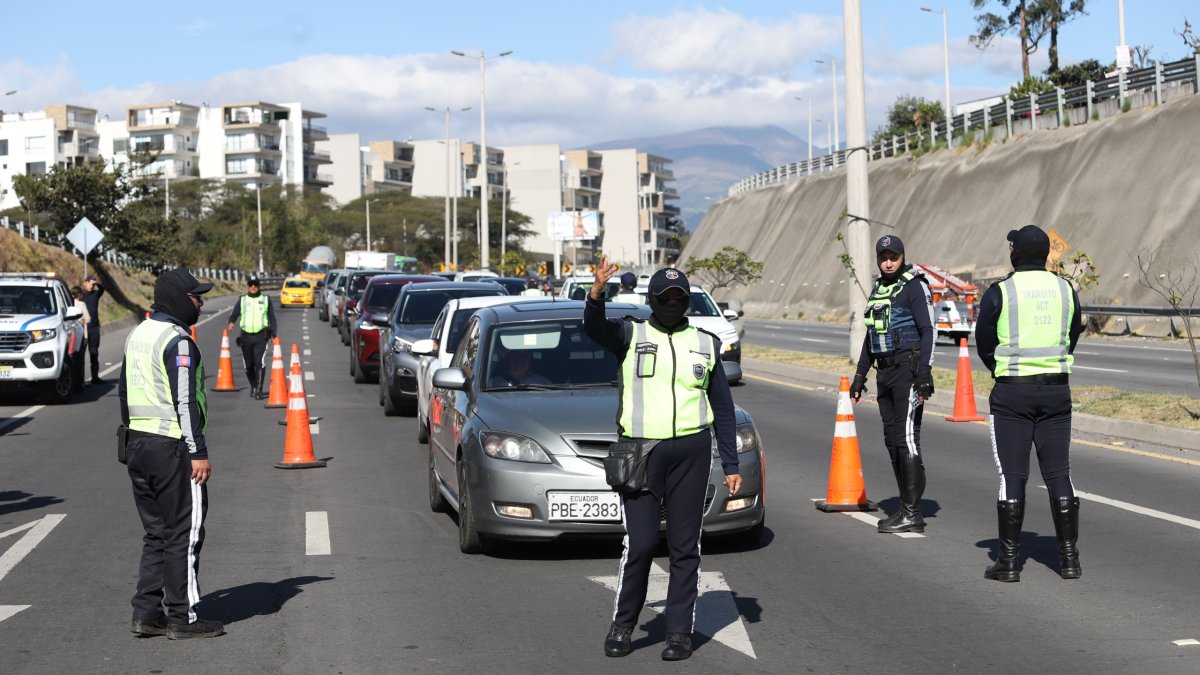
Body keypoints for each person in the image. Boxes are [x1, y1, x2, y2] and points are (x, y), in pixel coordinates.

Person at [585, 259, 740, 662]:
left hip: (691, 452)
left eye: (679, 297)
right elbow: (594, 328)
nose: (672, 303)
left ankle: (679, 632)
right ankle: (623, 625)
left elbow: (723, 409)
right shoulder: (630, 333)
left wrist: (731, 464)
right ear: (652, 299)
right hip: (641, 453)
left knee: (685, 547)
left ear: (686, 302)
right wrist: (597, 293)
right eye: (665, 297)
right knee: (640, 544)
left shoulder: (705, 343)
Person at [975, 224, 1084, 583]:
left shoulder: (1001, 291)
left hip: (1013, 394)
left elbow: (984, 340)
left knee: (1012, 476)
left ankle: (1008, 563)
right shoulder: (1066, 289)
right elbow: (1072, 335)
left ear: (1017, 253)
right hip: (1056, 392)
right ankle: (1069, 560)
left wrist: (1003, 368)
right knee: (1059, 473)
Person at [120, 268, 224, 639]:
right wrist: (198, 451)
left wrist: (131, 440)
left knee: (157, 534)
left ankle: (147, 613)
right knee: (185, 533)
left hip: (138, 445)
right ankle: (183, 617)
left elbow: (124, 393)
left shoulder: (139, 334)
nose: (201, 303)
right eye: (196, 297)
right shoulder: (178, 340)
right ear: (179, 299)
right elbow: (185, 401)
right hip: (173, 448)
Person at [849, 235, 935, 534]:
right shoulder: (879, 289)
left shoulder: (915, 286)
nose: (888, 263)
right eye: (883, 257)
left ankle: (912, 513)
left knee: (905, 439)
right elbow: (871, 336)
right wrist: (860, 376)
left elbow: (928, 330)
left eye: (893, 257)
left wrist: (924, 374)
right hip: (884, 374)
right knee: (891, 439)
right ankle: (906, 507)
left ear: (902, 257)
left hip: (907, 371)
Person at [225, 274, 277, 399]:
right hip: (246, 337)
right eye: (251, 285)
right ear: (247, 286)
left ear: (259, 286)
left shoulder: (266, 299)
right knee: (248, 366)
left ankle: (259, 390)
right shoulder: (242, 300)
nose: (253, 287)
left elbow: (272, 318)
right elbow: (234, 313)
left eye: (255, 285)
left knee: (260, 362)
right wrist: (231, 322)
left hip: (261, 336)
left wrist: (274, 335)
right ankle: (253, 385)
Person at [82, 274, 105, 385]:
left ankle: (95, 377)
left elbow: (102, 289)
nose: (91, 286)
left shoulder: (96, 294)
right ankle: (80, 380)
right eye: (90, 283)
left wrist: (97, 283)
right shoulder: (81, 295)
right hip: (83, 328)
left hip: (94, 327)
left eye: (93, 284)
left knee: (94, 352)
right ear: (85, 283)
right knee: (80, 354)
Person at [487, 349, 551, 388]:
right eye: (516, 356)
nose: (520, 360)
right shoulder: (492, 383)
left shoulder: (544, 383)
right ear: (506, 360)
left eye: (524, 356)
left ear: (530, 360)